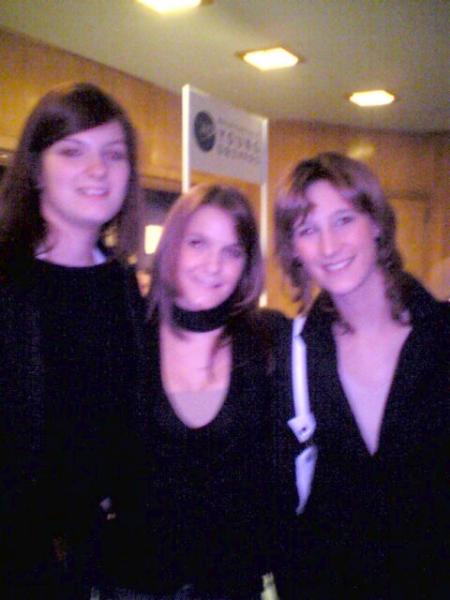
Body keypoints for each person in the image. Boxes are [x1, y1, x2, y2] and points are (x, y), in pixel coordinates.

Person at [272, 152, 450, 599]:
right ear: (294, 250)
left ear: (375, 224)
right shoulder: (293, 355)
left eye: (343, 220)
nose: (329, 246)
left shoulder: (442, 336)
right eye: (307, 230)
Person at [0, 82, 146, 598]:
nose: (97, 169)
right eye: (72, 151)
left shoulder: (122, 286)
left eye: (114, 154)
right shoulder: (8, 279)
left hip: (95, 563)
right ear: (36, 170)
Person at [105, 184, 286, 599]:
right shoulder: (128, 337)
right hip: (136, 586)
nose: (213, 265)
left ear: (247, 264)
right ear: (171, 247)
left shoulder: (268, 341)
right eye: (198, 243)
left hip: (233, 586)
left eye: (232, 251)